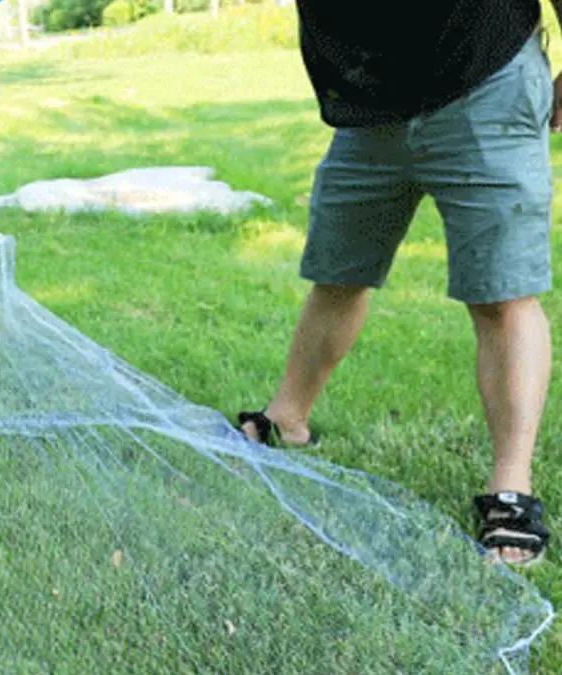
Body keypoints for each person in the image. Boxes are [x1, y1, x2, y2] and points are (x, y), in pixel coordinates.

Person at [238, 0, 557, 566]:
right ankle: (287, 418)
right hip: (370, 105)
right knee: (337, 275)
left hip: (484, 83)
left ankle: (511, 490)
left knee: (501, 295)